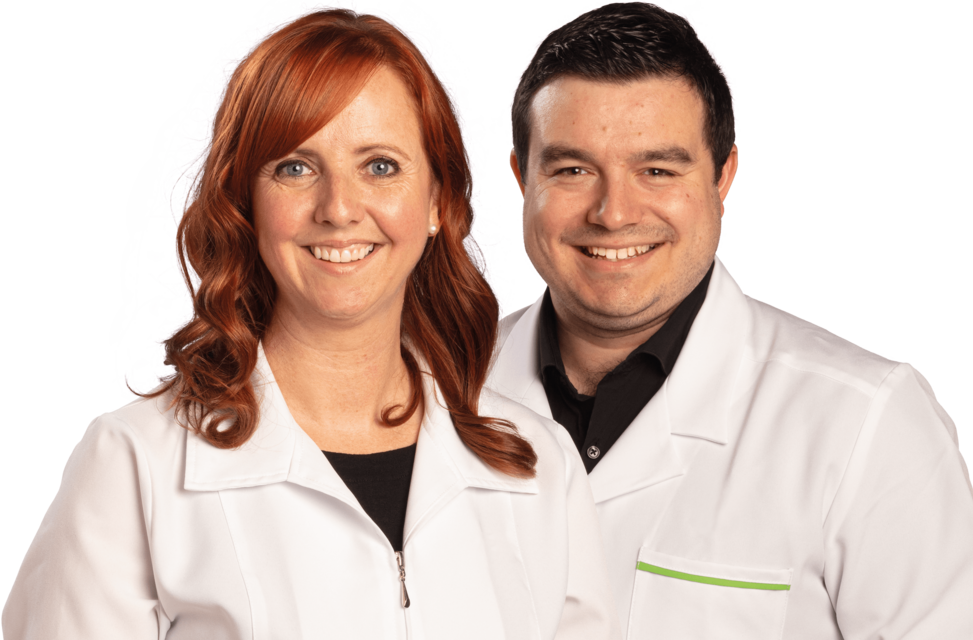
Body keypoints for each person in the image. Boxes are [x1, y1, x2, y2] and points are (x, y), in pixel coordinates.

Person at [2, 8, 620, 639]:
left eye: (380, 166)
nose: (339, 209)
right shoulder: (137, 465)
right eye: (295, 167)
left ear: (438, 200)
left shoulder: (540, 465)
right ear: (246, 202)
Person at [487, 2, 973, 638]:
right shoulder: (432, 387)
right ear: (523, 177)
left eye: (657, 170)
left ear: (724, 177)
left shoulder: (864, 421)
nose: (614, 213)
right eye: (574, 170)